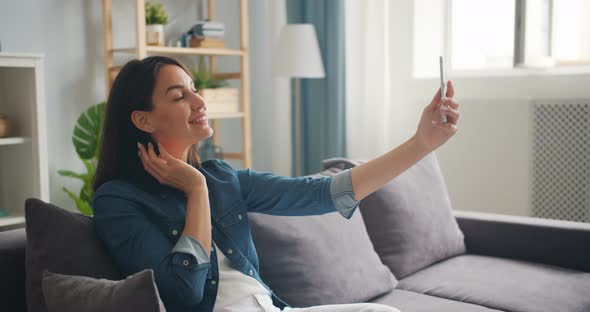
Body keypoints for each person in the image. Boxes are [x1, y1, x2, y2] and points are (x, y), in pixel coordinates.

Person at [91, 56, 459, 312]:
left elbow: (323, 194)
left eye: (193, 89)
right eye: (179, 96)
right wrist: (196, 192)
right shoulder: (119, 201)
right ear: (143, 120)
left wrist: (421, 143)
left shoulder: (223, 178)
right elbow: (184, 294)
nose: (199, 101)